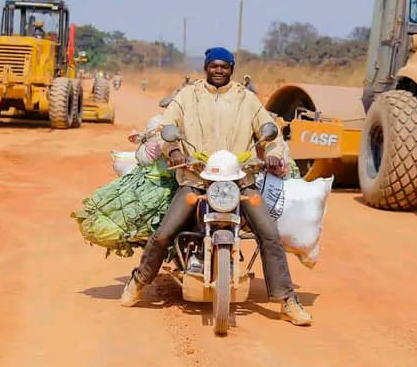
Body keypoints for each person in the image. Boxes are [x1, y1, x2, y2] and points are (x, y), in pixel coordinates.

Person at [120, 46, 312, 326]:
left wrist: (273, 155)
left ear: (232, 69)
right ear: (206, 68)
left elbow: (270, 132)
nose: (219, 70)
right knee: (164, 234)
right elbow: (167, 127)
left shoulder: (247, 99)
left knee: (270, 235)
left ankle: (287, 301)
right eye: (214, 66)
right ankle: (137, 282)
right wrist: (173, 151)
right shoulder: (188, 97)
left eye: (224, 66)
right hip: (196, 181)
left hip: (240, 183)